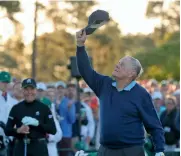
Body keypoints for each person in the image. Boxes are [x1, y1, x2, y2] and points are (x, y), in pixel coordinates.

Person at [75, 30, 165, 156]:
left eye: (122, 64)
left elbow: (154, 125)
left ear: (131, 73)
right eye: (118, 62)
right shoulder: (104, 85)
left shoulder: (141, 94)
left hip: (131, 151)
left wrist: (159, 150)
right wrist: (80, 45)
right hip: (105, 150)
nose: (117, 65)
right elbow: (85, 70)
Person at [5, 78, 56, 156]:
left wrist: (38, 124)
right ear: (22, 91)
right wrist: (18, 130)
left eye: (32, 89)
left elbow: (53, 130)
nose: (29, 92)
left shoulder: (44, 108)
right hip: (21, 147)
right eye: (26, 89)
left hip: (39, 147)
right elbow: (7, 130)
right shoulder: (16, 108)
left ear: (36, 90)